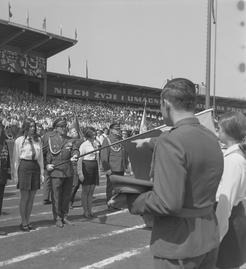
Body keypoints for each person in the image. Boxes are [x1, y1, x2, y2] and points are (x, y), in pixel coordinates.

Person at [127, 78, 224, 269]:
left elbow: (166, 203)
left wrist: (132, 200)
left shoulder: (171, 141)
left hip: (179, 242)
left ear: (166, 104)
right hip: (208, 234)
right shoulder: (211, 137)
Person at [215, 111, 246, 269]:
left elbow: (226, 202)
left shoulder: (234, 160)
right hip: (233, 220)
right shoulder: (234, 156)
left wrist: (217, 236)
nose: (217, 132)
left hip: (230, 224)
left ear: (228, 131)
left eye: (219, 128)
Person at [45, 118, 79, 227]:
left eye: (65, 127)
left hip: (68, 171)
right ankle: (58, 217)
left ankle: (65, 216)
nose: (64, 129)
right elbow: (42, 152)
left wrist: (75, 155)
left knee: (66, 196)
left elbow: (75, 149)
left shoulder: (70, 140)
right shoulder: (50, 139)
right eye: (61, 127)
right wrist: (46, 165)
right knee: (56, 196)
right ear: (56, 128)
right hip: (56, 171)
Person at [12, 118, 44, 232]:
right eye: (30, 126)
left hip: (35, 167)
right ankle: (23, 221)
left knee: (32, 197)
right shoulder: (19, 140)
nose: (33, 128)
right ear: (25, 127)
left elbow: (40, 158)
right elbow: (16, 159)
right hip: (24, 167)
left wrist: (42, 173)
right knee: (25, 197)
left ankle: (28, 219)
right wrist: (16, 175)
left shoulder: (38, 140)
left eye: (34, 126)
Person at [101, 122, 128, 208]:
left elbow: (125, 154)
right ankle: (110, 204)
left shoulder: (121, 139)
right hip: (112, 168)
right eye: (117, 129)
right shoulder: (107, 140)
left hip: (120, 167)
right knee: (111, 188)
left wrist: (126, 166)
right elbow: (104, 156)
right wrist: (107, 168)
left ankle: (116, 203)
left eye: (119, 129)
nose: (118, 131)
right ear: (111, 130)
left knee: (119, 187)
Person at [77, 127, 100, 218]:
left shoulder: (95, 144)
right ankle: (85, 211)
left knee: (91, 191)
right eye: (93, 134)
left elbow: (97, 158)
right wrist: (80, 173)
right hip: (86, 167)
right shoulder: (84, 145)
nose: (95, 135)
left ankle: (90, 210)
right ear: (88, 135)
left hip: (94, 166)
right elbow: (80, 159)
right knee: (85, 191)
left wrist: (98, 171)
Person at [68, 126, 83, 208]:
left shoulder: (81, 141)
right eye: (73, 132)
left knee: (79, 185)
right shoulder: (69, 142)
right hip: (73, 165)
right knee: (75, 184)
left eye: (76, 131)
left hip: (82, 163)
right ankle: (69, 201)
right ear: (69, 134)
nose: (75, 133)